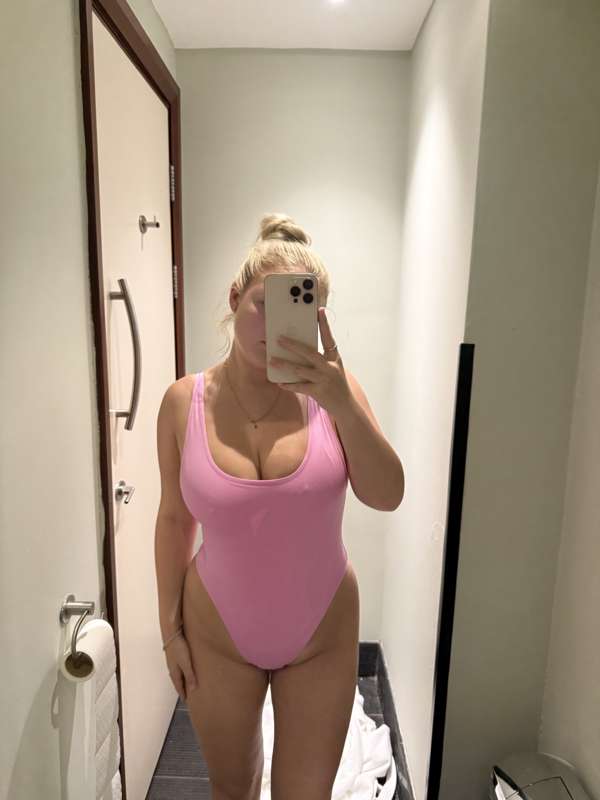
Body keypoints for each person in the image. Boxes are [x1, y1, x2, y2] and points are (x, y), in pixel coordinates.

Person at [154, 212, 403, 800]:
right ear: (235, 298)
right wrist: (171, 634)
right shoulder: (183, 402)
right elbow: (173, 519)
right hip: (217, 630)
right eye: (264, 304)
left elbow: (387, 494)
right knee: (232, 790)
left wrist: (341, 401)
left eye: (300, 308)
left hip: (321, 631)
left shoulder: (336, 395)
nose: (275, 324)